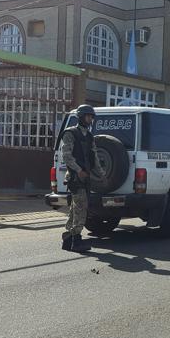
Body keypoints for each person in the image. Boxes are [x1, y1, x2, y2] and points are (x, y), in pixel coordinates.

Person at [60, 104, 105, 252]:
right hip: (75, 177)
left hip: (86, 177)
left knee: (75, 208)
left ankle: (68, 238)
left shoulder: (90, 136)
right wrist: (78, 170)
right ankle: (76, 240)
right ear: (80, 117)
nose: (90, 119)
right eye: (88, 116)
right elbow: (66, 155)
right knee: (82, 207)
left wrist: (101, 174)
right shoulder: (70, 133)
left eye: (91, 117)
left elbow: (95, 157)